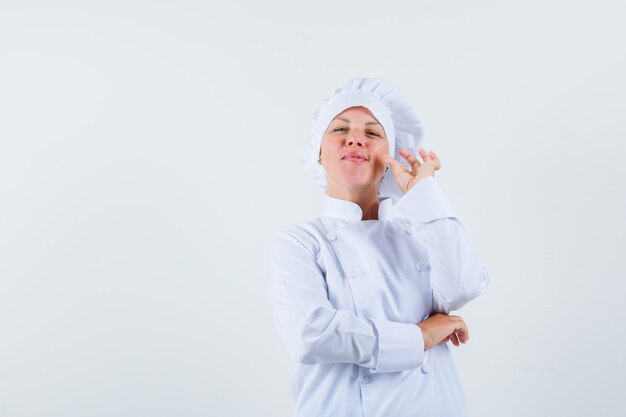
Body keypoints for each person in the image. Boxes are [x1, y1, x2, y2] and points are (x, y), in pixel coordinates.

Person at [268, 77, 490, 417]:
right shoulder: (299, 242)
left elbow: (465, 285)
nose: (356, 137)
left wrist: (425, 194)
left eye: (373, 133)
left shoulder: (421, 232)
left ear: (389, 157)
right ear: (317, 153)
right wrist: (420, 338)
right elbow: (311, 334)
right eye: (340, 129)